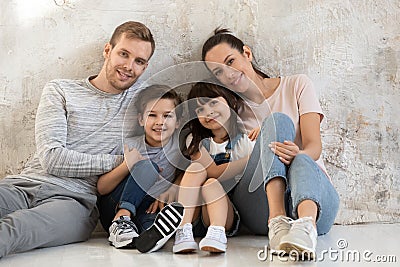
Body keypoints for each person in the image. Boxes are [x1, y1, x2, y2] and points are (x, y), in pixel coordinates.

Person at [0, 21, 155, 259]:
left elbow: (175, 125)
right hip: (22, 185)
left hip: (74, 202)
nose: (128, 66)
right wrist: (120, 161)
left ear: (145, 68)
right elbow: (52, 159)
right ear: (107, 51)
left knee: (13, 230)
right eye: (123, 54)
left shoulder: (142, 103)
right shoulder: (60, 90)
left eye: (139, 61)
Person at [200, 28, 340, 259]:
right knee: (276, 123)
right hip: (261, 210)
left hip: (315, 202)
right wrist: (265, 139)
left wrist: (297, 155)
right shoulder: (231, 113)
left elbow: (314, 147)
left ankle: (305, 227)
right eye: (219, 72)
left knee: (300, 153)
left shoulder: (297, 85)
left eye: (231, 61)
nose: (229, 74)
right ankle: (278, 221)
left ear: (247, 53)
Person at [97, 85, 184, 249]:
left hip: (148, 209)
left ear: (178, 122)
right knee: (147, 166)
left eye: (167, 116)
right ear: (141, 119)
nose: (160, 122)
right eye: (152, 115)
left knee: (151, 226)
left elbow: (189, 172)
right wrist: (127, 165)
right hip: (114, 207)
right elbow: (101, 188)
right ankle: (122, 218)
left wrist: (172, 190)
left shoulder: (180, 149)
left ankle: (140, 238)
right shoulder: (129, 146)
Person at [172, 82, 254, 254]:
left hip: (223, 216)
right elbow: (214, 171)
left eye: (213, 103)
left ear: (231, 101)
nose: (208, 112)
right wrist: (251, 160)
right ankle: (183, 229)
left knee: (211, 184)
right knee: (196, 169)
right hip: (194, 213)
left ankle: (217, 234)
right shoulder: (194, 141)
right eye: (200, 110)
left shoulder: (245, 141)